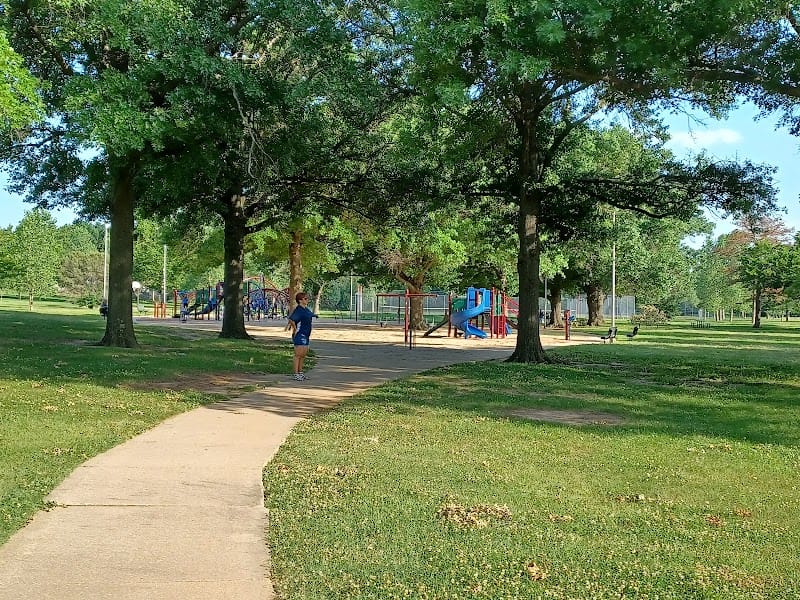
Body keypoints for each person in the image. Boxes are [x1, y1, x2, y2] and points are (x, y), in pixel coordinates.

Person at [287, 292, 316, 381]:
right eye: (305, 298)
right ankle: (296, 374)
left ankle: (300, 372)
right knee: (298, 355)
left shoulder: (306, 309)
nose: (307, 300)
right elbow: (291, 319)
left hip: (306, 334)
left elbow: (310, 315)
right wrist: (295, 329)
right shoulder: (299, 310)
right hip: (300, 335)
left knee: (303, 355)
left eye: (307, 298)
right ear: (300, 300)